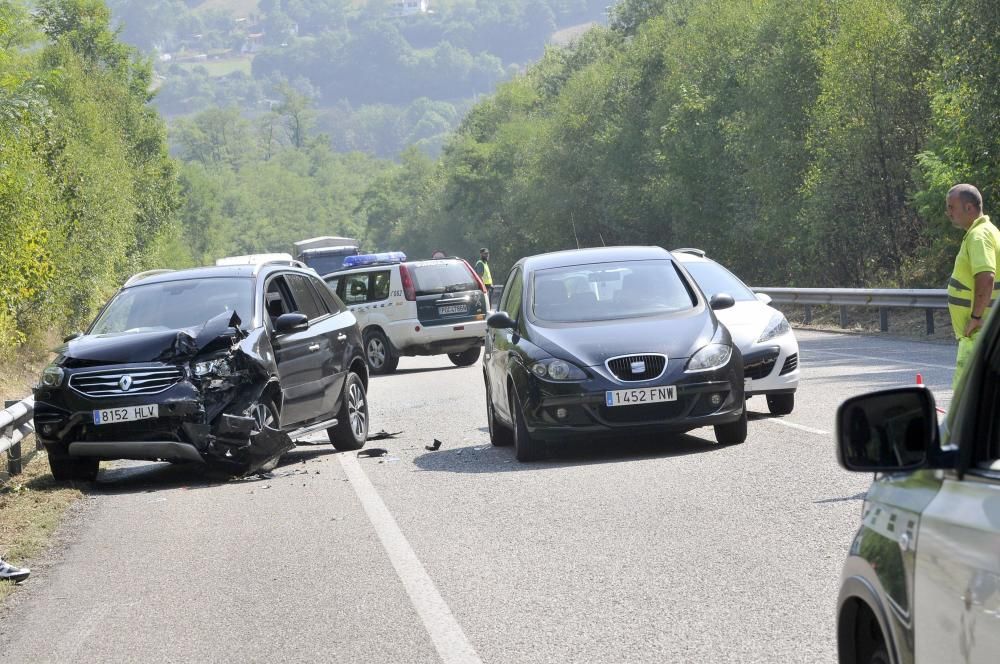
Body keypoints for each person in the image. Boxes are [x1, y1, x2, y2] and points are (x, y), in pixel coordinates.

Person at [945, 183, 1000, 389]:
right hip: (983, 332)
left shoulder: (979, 235)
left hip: (978, 333)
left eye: (952, 207)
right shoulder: (987, 231)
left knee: (969, 403)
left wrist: (976, 318)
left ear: (969, 208)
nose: (948, 213)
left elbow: (986, 276)